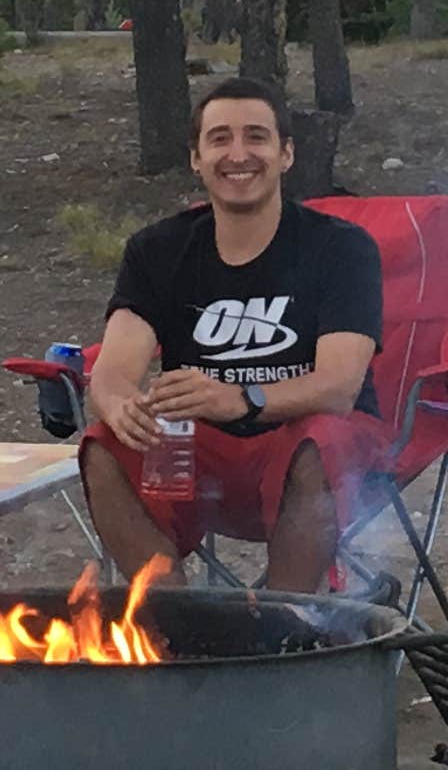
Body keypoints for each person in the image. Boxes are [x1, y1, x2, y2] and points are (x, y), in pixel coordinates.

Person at [81, 77, 384, 592]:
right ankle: (171, 620)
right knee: (103, 445)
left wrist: (240, 398)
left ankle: (277, 630)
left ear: (286, 154)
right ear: (197, 158)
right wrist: (119, 406)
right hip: (202, 458)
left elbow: (339, 387)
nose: (238, 154)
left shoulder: (341, 248)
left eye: (257, 137)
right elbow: (112, 372)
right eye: (220, 138)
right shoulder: (157, 251)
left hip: (314, 455)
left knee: (321, 440)